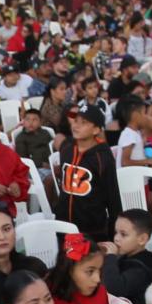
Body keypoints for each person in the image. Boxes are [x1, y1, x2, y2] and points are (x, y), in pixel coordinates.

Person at [53, 102, 120, 240]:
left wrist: (114, 234)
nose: (76, 125)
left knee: (90, 261)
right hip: (64, 226)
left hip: (92, 231)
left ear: (96, 130)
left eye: (83, 122)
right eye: (75, 120)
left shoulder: (103, 158)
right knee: (68, 260)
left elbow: (113, 198)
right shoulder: (66, 147)